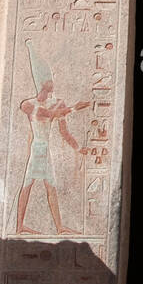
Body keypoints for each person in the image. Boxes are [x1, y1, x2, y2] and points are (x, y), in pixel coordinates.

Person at [16, 41, 90, 235]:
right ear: (41, 82)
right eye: (48, 78)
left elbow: (63, 132)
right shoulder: (28, 104)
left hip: (45, 149)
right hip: (37, 149)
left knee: (51, 187)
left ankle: (59, 226)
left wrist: (77, 148)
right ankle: (20, 225)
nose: (52, 80)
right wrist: (74, 107)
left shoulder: (57, 103)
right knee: (27, 185)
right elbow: (48, 115)